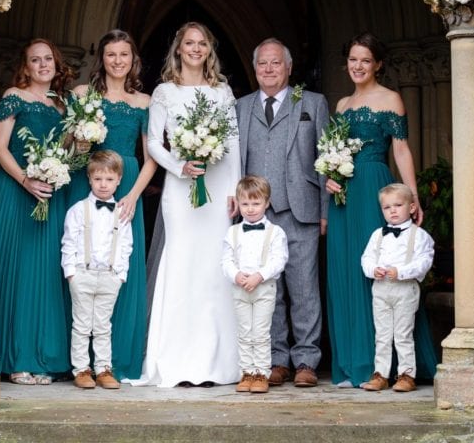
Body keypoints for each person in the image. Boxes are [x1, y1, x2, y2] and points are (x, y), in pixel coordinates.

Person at [324, 31, 437, 388]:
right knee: (346, 270)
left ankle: (392, 368)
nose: (358, 66)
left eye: (365, 60)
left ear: (378, 65)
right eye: (353, 59)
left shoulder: (391, 99)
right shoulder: (342, 105)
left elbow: (401, 150)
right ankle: (352, 362)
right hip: (342, 195)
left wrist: (412, 197)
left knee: (378, 269)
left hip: (373, 186)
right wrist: (329, 177)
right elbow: (333, 152)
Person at [136, 21, 241, 387]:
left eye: (202, 43)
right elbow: (153, 143)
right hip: (180, 189)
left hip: (218, 187)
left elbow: (233, 142)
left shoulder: (222, 91)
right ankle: (175, 360)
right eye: (189, 43)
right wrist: (178, 166)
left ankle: (215, 362)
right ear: (178, 49)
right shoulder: (164, 91)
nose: (196, 49)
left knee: (214, 267)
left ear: (209, 50)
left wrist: (234, 189)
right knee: (181, 263)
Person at [0, 38, 75, 385]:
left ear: (56, 63)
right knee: (18, 271)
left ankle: (42, 357)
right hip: (17, 192)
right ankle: (16, 358)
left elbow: (65, 150)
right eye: (35, 60)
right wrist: (25, 179)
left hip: (50, 193)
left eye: (48, 59)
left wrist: (60, 167)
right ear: (25, 66)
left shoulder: (63, 105)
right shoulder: (13, 97)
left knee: (46, 273)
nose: (43, 65)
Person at [235, 38, 329, 387]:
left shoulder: (313, 103)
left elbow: (325, 159)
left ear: (289, 67)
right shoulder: (241, 107)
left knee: (304, 289)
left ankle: (306, 360)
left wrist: (325, 211)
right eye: (263, 63)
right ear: (254, 69)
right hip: (256, 214)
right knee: (266, 291)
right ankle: (276, 360)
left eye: (276, 63)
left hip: (300, 209)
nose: (269, 69)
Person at [68, 30, 157, 380]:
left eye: (124, 55)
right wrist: (79, 143)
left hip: (128, 182)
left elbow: (151, 157)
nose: (118, 61)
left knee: (121, 265)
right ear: (101, 59)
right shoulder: (83, 95)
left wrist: (133, 194)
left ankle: (113, 361)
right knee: (82, 257)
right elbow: (68, 148)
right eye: (111, 55)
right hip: (88, 179)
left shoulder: (144, 101)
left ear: (133, 59)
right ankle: (78, 363)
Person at [62, 150, 134, 390]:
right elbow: (69, 242)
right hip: (82, 274)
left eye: (109, 179)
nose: (103, 184)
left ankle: (103, 369)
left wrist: (120, 274)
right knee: (82, 325)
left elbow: (126, 245)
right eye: (98, 179)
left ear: (119, 180)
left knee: (103, 326)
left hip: (110, 277)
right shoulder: (78, 209)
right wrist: (71, 273)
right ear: (89, 179)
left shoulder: (122, 212)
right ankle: (82, 369)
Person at [359, 183, 434, 392]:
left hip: (405, 289)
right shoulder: (378, 235)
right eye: (387, 207)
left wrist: (401, 272)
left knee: (403, 334)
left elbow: (424, 262)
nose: (392, 210)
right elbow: (366, 258)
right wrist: (373, 270)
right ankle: (381, 374)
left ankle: (407, 375)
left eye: (398, 205)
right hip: (381, 289)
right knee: (382, 335)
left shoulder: (419, 235)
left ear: (411, 207)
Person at [221, 176, 289, 394]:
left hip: (263, 289)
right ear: (238, 204)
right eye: (245, 204)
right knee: (244, 332)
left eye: (256, 203)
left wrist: (259, 276)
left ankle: (261, 373)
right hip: (240, 289)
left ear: (266, 203)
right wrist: (236, 275)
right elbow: (226, 260)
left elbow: (279, 260)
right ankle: (247, 373)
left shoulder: (275, 232)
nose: (250, 209)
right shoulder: (232, 232)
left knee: (260, 333)